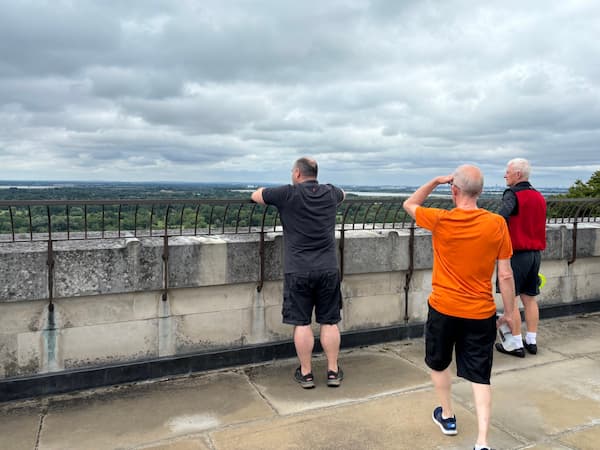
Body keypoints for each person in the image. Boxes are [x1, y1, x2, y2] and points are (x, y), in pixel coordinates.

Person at [403, 165, 515, 450]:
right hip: (481, 312)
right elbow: (505, 275)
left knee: (439, 363)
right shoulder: (496, 224)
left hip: (444, 308)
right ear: (479, 192)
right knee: (480, 374)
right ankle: (482, 441)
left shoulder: (441, 220)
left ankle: (448, 416)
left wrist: (435, 180)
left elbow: (410, 204)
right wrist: (511, 312)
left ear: (454, 190)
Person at [251, 157, 345, 389]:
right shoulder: (330, 193)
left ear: (297, 174)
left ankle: (306, 373)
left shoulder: (287, 194)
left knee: (302, 323)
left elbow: (258, 195)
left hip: (299, 269)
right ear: (316, 173)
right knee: (330, 321)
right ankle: (333, 371)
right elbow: (343, 194)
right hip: (328, 268)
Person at [495, 158, 547, 357]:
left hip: (515, 255)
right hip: (535, 255)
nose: (505, 175)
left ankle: (515, 343)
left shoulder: (513, 194)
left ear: (517, 175)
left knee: (511, 301)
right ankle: (531, 341)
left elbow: (500, 217)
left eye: (507, 172)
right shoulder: (539, 196)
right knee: (530, 299)